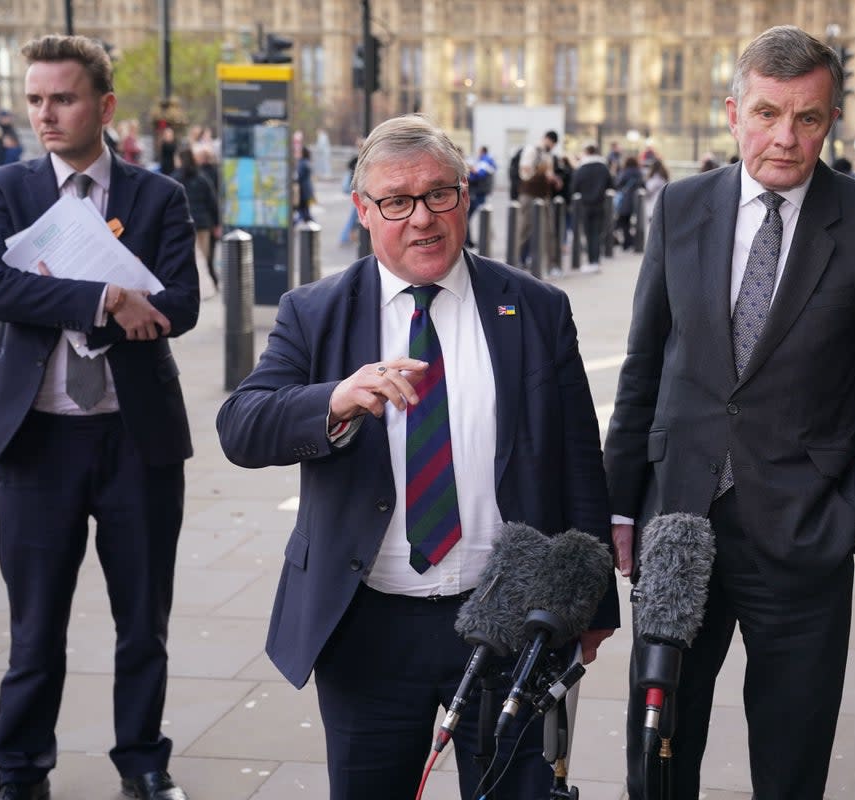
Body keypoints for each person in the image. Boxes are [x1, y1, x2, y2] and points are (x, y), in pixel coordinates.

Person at [215, 114, 619, 800]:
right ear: (364, 212)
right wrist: (335, 400)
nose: (422, 218)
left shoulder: (535, 308)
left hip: (508, 622)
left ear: (465, 197)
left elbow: (579, 457)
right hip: (366, 629)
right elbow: (241, 426)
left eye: (439, 194)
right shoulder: (315, 312)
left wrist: (594, 602)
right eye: (397, 202)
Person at [603, 25, 855, 799]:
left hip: (804, 532)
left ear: (831, 119)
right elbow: (645, 364)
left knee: (791, 759)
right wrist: (618, 504)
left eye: (808, 118)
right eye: (768, 113)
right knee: (659, 751)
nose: (786, 137)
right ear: (733, 110)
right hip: (678, 526)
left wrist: (851, 513)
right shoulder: (680, 207)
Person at [0, 34, 199, 800]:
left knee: (144, 623)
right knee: (35, 629)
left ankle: (143, 762)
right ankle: (20, 771)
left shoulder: (157, 196)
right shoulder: (6, 188)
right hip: (38, 443)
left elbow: (182, 306)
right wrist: (103, 297)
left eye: (61, 98)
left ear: (103, 106)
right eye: (35, 99)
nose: (45, 113)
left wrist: (141, 304)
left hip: (137, 440)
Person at [172, 146, 221, 297]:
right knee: (204, 259)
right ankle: (206, 288)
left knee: (188, 259)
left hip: (183, 224)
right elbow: (212, 202)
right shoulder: (202, 177)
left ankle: (190, 288)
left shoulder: (174, 178)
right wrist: (216, 223)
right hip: (203, 224)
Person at [515, 129, 560, 273]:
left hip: (543, 194)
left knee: (549, 230)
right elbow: (525, 170)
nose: (552, 146)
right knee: (524, 229)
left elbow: (549, 174)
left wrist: (553, 179)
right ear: (547, 139)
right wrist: (539, 172)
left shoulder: (549, 155)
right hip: (529, 193)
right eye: (552, 143)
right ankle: (516, 260)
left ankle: (550, 264)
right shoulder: (532, 150)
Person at [570, 143, 611, 273]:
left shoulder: (582, 169)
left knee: (588, 234)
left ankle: (590, 260)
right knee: (597, 233)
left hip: (585, 205)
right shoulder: (603, 167)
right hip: (600, 204)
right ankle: (596, 260)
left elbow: (574, 187)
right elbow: (611, 184)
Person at [612, 156, 643, 250]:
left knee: (623, 222)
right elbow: (643, 185)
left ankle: (628, 242)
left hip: (625, 201)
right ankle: (632, 242)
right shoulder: (638, 172)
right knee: (630, 223)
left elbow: (617, 184)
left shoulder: (625, 172)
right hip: (636, 201)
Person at [642, 158, 669, 226]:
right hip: (663, 206)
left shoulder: (653, 179)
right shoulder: (664, 178)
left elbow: (648, 191)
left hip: (652, 207)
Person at [295, 145, 314, 222]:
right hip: (308, 190)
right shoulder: (307, 162)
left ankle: (309, 225)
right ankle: (310, 224)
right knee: (306, 210)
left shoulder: (302, 163)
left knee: (303, 211)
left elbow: (299, 177)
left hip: (302, 191)